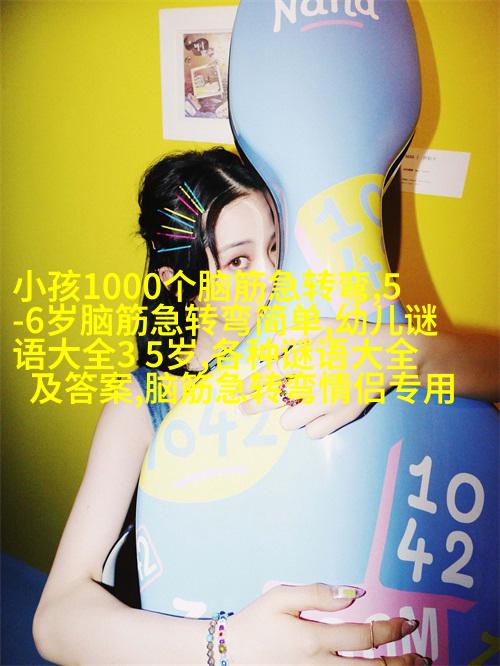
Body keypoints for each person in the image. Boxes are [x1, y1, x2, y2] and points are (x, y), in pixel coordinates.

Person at [32, 148, 433, 666]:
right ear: (179, 277)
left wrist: (408, 355)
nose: (272, 277)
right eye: (239, 260)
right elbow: (56, 619)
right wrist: (231, 645)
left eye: (275, 248)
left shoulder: (313, 344)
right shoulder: (146, 401)